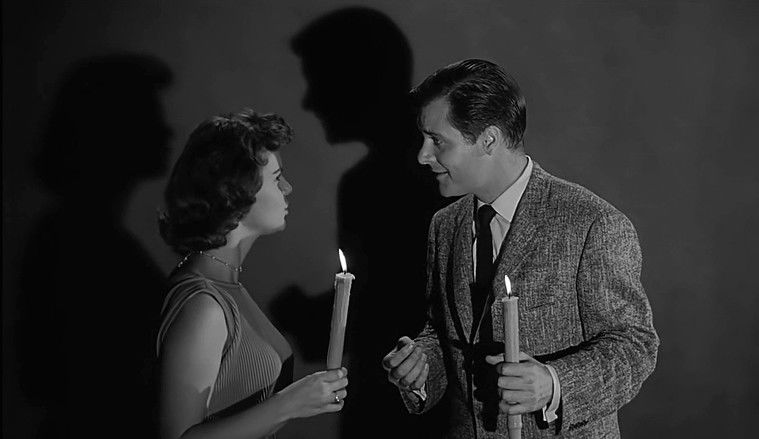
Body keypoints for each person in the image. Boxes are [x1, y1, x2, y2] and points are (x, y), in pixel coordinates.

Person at [382, 59, 659, 438]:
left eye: (437, 141)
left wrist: (553, 383)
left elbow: (634, 346)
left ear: (489, 140)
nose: (422, 155)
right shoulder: (444, 225)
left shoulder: (592, 223)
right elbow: (444, 335)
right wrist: (421, 365)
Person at [156, 109, 348, 439]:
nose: (288, 188)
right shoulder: (204, 305)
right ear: (236, 190)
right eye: (277, 178)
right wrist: (289, 404)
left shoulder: (226, 286)